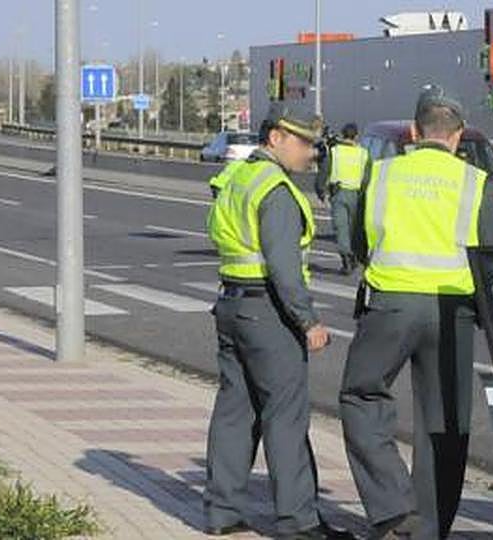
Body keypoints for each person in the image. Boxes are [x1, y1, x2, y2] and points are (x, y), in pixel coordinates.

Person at [339, 86, 493, 539]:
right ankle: (429, 530)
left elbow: (359, 240)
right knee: (444, 424)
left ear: (414, 132)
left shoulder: (383, 174)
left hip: (390, 304)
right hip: (453, 312)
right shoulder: (475, 182)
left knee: (361, 395)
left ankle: (394, 505)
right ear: (458, 135)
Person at [204, 104, 350, 540]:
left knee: (234, 413)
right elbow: (284, 269)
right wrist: (308, 321)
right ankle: (298, 521)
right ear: (275, 138)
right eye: (303, 142)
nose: (311, 152)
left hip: (231, 304)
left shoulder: (237, 176)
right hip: (268, 313)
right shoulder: (277, 190)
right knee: (285, 417)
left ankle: (221, 513)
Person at [316, 123, 371, 275]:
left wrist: (320, 191)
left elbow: (324, 172)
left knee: (341, 228)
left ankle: (346, 258)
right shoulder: (363, 154)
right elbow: (367, 177)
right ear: (356, 136)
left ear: (342, 135)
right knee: (354, 228)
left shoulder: (334, 152)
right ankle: (356, 255)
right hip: (356, 195)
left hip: (338, 193)